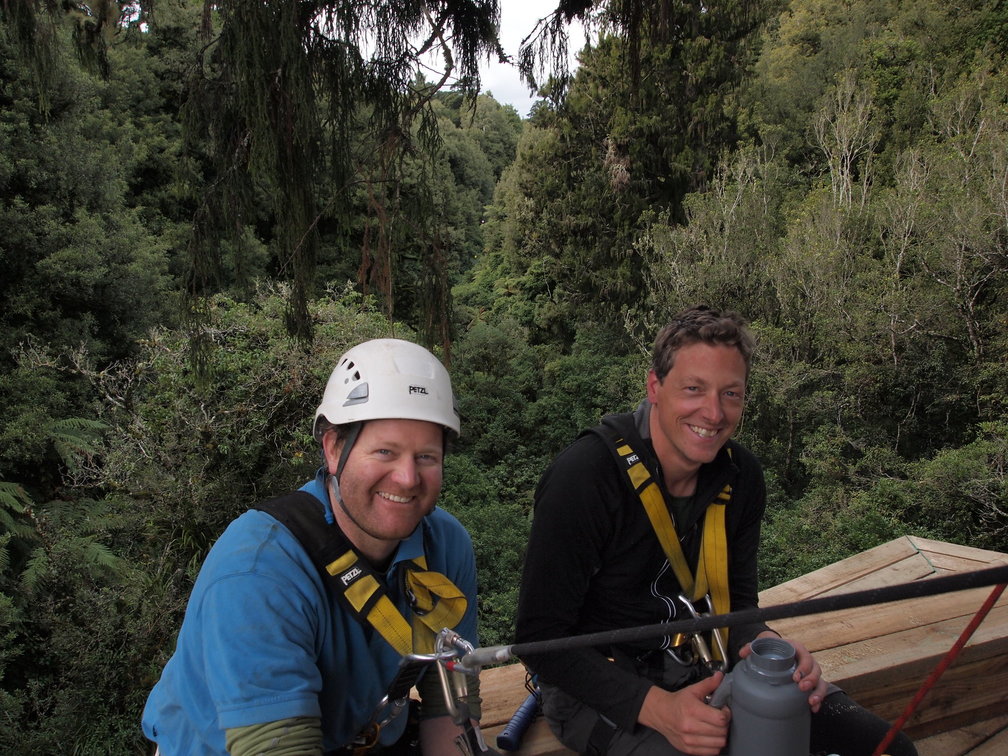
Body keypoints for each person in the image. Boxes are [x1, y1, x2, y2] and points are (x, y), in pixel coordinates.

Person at [515, 306, 917, 756]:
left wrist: (769, 647)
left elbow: (738, 605)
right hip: (600, 687)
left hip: (708, 661)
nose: (713, 412)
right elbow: (539, 641)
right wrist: (658, 708)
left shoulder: (739, 476)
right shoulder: (587, 476)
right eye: (694, 389)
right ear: (655, 387)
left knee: (889, 748)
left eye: (731, 394)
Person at [143, 338, 484, 755]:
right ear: (334, 448)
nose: (407, 478)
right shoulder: (258, 572)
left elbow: (447, 708)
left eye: (426, 456)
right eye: (385, 451)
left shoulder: (444, 546)